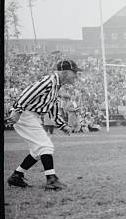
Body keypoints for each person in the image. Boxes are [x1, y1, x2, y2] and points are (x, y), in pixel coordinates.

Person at [6, 60, 82, 190]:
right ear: (65, 72)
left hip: (30, 115)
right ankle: (51, 179)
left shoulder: (56, 85)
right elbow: (28, 93)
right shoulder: (49, 81)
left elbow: (52, 108)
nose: (76, 75)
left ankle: (16, 176)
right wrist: (18, 110)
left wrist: (62, 125)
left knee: (37, 151)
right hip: (25, 114)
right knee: (45, 146)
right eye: (74, 72)